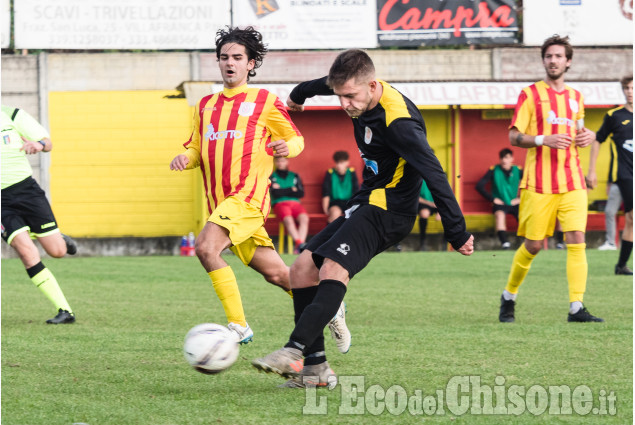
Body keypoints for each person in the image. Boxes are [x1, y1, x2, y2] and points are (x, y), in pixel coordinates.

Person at [251, 49, 474, 388]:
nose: (344, 104)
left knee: (331, 268)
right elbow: (329, 85)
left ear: (372, 86)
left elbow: (435, 173)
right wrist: (300, 94)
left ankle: (293, 350)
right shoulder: (357, 90)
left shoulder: (399, 124)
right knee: (300, 270)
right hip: (367, 199)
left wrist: (456, 232)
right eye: (339, 95)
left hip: (390, 210)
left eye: (350, 96)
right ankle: (316, 372)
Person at [169, 27, 349, 347]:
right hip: (222, 205)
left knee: (206, 248)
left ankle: (239, 325)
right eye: (224, 57)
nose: (230, 63)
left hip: (248, 199)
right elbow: (197, 147)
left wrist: (286, 148)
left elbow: (295, 139)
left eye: (237, 58)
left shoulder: (264, 101)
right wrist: (185, 158)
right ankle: (329, 306)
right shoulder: (205, 105)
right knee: (280, 276)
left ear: (251, 64)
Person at [498, 35, 603, 324]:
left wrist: (588, 136)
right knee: (533, 245)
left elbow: (581, 133)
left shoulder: (576, 98)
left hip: (572, 181)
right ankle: (509, 296)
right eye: (549, 56)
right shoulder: (530, 95)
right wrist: (544, 138)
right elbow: (514, 136)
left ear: (568, 61)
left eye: (558, 56)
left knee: (576, 240)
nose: (553, 61)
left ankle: (576, 307)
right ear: (544, 61)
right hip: (539, 184)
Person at [1, 105, 78, 324]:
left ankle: (57, 238)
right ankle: (65, 311)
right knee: (26, 252)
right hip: (1, 202)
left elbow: (48, 143)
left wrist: (38, 144)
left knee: (57, 251)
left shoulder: (11, 115)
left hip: (26, 191)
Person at [587, 75, 633, 274]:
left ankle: (621, 265)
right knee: (631, 217)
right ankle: (621, 263)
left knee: (631, 220)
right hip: (625, 174)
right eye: (627, 89)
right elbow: (597, 139)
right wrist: (592, 170)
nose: (630, 92)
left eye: (633, 88)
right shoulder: (614, 115)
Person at [475, 148, 523, 250]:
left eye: (507, 158)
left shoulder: (518, 170)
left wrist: (520, 198)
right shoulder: (493, 170)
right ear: (500, 159)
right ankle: (505, 244)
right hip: (500, 203)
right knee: (499, 216)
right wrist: (492, 199)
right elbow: (479, 186)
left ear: (512, 159)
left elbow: (530, 185)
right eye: (502, 158)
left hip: (514, 202)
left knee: (524, 218)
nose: (504, 160)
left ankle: (526, 242)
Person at [270, 156, 309, 254]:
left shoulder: (294, 176)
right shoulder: (272, 176)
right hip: (280, 204)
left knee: (304, 218)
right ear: (275, 162)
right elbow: (275, 193)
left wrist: (281, 189)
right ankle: (300, 244)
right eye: (278, 161)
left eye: (282, 161)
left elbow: (300, 193)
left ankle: (300, 245)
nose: (280, 163)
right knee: (288, 219)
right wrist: (291, 189)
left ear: (287, 161)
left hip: (295, 203)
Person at [322, 150, 359, 223]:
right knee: (335, 213)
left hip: (349, 202)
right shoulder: (330, 173)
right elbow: (326, 192)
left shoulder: (351, 172)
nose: (338, 165)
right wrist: (325, 210)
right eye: (337, 162)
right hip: (335, 203)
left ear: (347, 162)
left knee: (352, 215)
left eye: (341, 162)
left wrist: (355, 206)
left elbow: (356, 191)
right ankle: (331, 234)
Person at [417, 179, 440, 251]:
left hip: (439, 204)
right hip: (425, 203)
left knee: (446, 216)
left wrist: (440, 211)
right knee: (424, 214)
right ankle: (422, 242)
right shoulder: (419, 180)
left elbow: (444, 197)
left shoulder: (439, 179)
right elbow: (416, 197)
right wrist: (430, 204)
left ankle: (447, 242)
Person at [598, 184, 622, 250]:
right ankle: (611, 243)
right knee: (609, 211)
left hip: (631, 181)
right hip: (618, 183)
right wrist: (609, 182)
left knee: (630, 215)